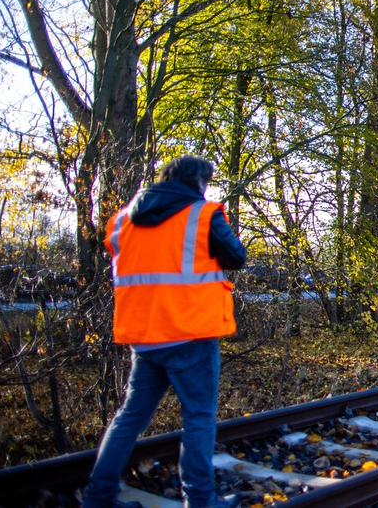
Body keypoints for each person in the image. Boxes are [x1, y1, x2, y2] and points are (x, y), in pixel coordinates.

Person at [82, 156, 246, 508]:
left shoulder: (123, 220)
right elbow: (236, 257)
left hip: (144, 336)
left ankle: (97, 498)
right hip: (189, 333)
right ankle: (200, 501)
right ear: (198, 181)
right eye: (207, 182)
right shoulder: (203, 214)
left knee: (129, 418)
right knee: (198, 418)